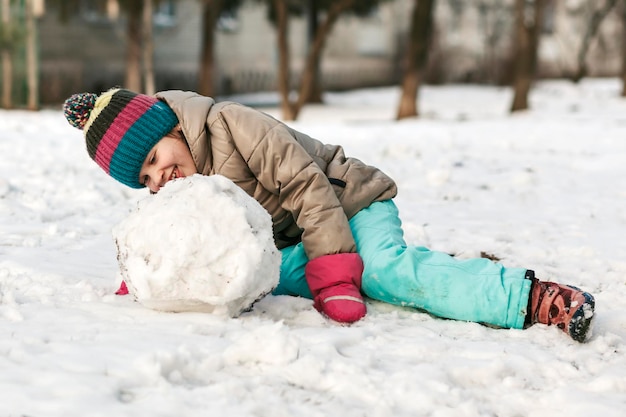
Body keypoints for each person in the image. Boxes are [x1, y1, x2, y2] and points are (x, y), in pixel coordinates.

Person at [63, 87, 596, 342]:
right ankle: (426, 269)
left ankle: (524, 296)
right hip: (297, 239)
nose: (161, 179)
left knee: (382, 272)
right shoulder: (183, 186)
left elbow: (306, 186)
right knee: (259, 286)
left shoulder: (231, 124)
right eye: (146, 180)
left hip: (350, 203)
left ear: (169, 126)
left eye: (155, 159)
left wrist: (336, 274)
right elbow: (181, 239)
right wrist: (155, 275)